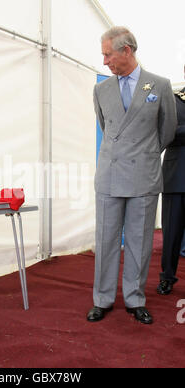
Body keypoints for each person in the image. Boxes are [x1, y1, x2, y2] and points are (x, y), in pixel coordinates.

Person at [87, 26, 177, 324]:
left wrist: (144, 155)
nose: (104, 61)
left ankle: (135, 298)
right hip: (110, 176)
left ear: (127, 50)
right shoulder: (101, 89)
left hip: (144, 175)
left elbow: (165, 132)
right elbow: (107, 127)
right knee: (106, 239)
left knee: (139, 240)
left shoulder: (160, 85)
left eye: (108, 54)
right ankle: (102, 298)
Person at [157, 87, 185, 295]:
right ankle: (167, 277)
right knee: (172, 232)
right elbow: (166, 133)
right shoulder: (173, 99)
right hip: (176, 176)